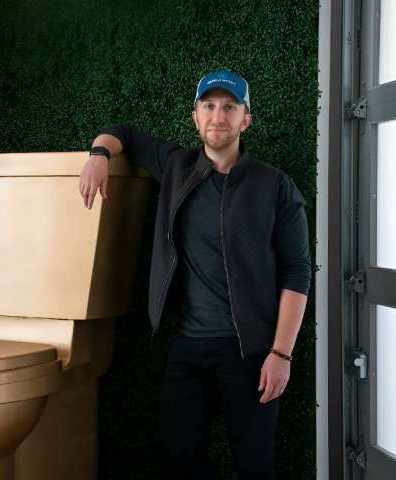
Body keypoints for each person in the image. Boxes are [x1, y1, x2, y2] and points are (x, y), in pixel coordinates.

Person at [79, 70, 311, 480]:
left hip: (252, 351)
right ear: (195, 117)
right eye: (209, 106)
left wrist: (281, 353)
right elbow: (123, 134)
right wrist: (99, 155)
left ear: (245, 120)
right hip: (189, 345)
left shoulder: (275, 186)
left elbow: (296, 274)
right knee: (176, 457)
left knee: (255, 466)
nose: (217, 116)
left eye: (229, 107)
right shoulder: (175, 165)